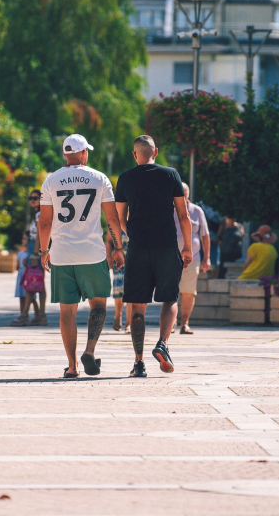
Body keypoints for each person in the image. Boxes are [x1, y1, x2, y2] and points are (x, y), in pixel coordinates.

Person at [37, 134, 125, 378]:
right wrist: (118, 248)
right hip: (93, 253)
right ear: (84, 152)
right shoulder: (100, 179)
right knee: (98, 305)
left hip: (62, 255)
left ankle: (72, 365)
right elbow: (113, 219)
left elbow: (44, 223)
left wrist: (45, 251)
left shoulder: (51, 181)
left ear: (65, 154)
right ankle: (89, 349)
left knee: (68, 311)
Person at [114, 135, 193, 378]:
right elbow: (183, 215)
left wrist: (133, 233)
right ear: (155, 151)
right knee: (170, 299)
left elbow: (119, 219)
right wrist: (187, 247)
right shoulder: (170, 174)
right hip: (167, 246)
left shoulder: (126, 178)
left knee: (138, 304)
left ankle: (138, 363)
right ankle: (162, 344)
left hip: (138, 248)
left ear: (134, 154)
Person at [173, 184, 211, 335]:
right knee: (171, 292)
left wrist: (207, 258)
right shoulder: (167, 210)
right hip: (171, 258)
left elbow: (205, 235)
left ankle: (185, 324)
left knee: (188, 292)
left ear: (188, 194)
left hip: (193, 257)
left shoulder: (197, 211)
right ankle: (172, 323)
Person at [12, 189, 47, 326]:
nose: (32, 200)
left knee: (31, 282)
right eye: (30, 198)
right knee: (38, 282)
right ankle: (40, 316)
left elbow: (39, 234)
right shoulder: (37, 214)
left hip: (36, 248)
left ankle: (25, 315)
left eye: (35, 198)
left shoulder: (40, 214)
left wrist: (34, 253)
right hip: (35, 247)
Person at [106, 229, 130, 332]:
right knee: (118, 290)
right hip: (118, 261)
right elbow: (108, 241)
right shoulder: (116, 222)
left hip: (134, 259)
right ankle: (118, 314)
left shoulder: (137, 217)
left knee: (131, 291)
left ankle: (129, 323)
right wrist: (108, 257)